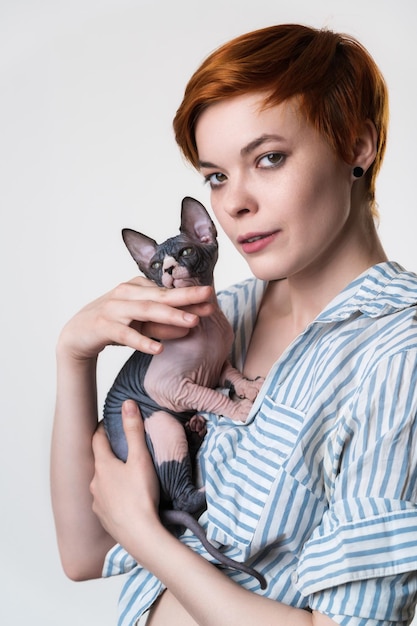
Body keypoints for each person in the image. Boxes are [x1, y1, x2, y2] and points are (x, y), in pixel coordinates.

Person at [51, 23, 417, 625]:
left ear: (357, 146)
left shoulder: (394, 353)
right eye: (216, 175)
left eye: (269, 158)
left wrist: (148, 540)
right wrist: (74, 354)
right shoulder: (224, 314)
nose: (234, 203)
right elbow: (85, 552)